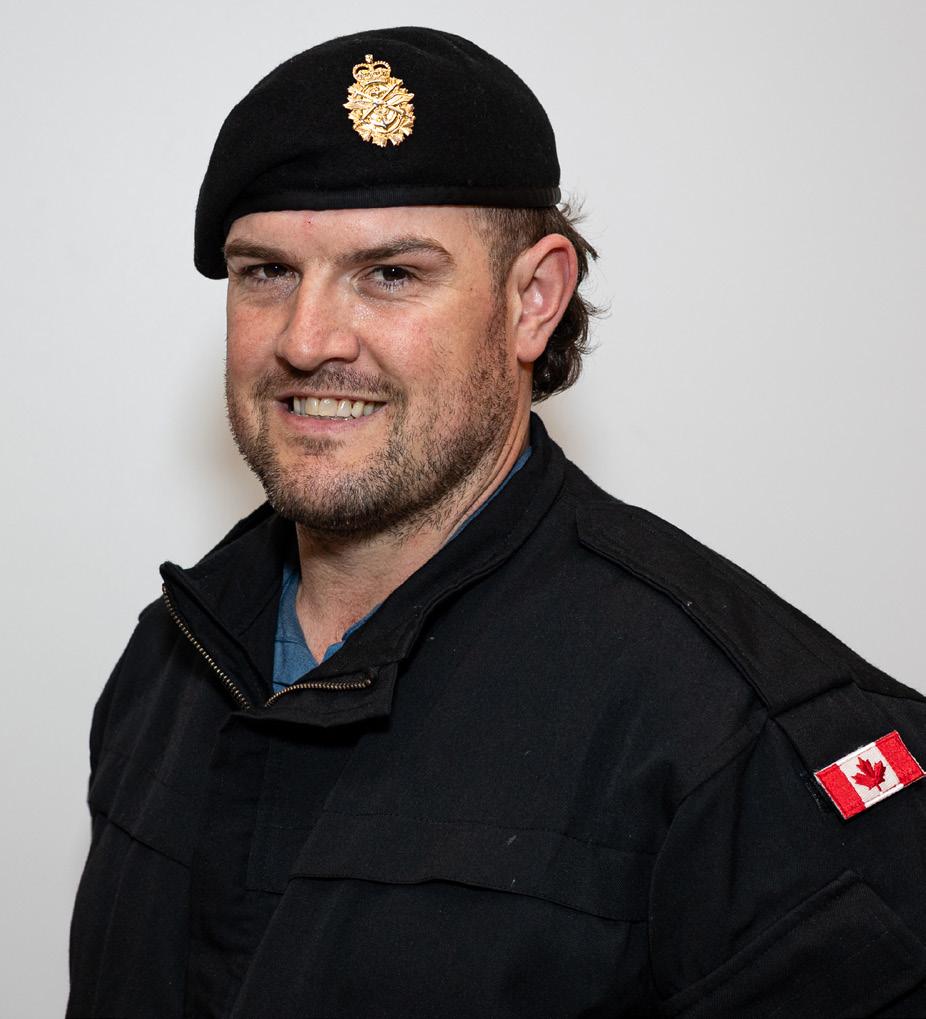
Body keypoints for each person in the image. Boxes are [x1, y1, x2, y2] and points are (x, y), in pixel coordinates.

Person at [67, 26, 926, 1018]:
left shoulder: (742, 743)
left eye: (391, 273)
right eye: (266, 272)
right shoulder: (171, 660)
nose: (307, 340)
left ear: (533, 299)